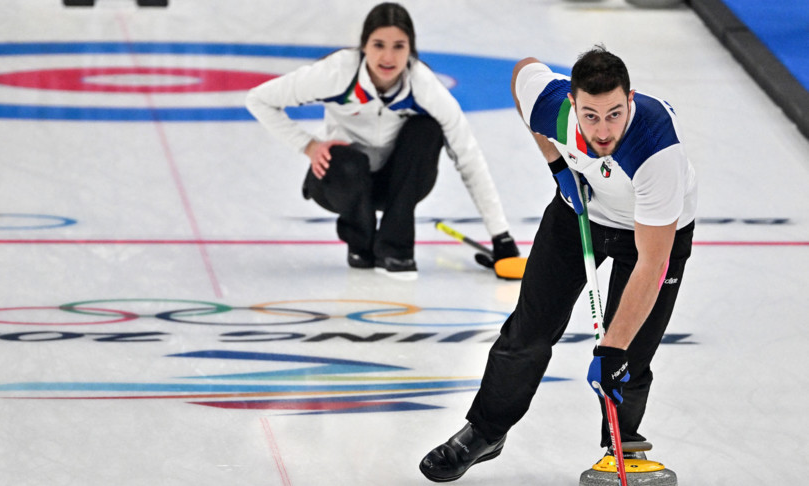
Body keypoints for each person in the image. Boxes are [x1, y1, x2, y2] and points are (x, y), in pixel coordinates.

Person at [419, 45, 697, 482]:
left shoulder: (657, 150)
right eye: (590, 115)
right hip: (579, 210)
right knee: (528, 329)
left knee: (631, 353)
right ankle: (486, 431)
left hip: (651, 234)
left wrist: (612, 348)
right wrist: (557, 167)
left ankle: (621, 449)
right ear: (572, 104)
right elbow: (522, 71)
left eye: (614, 113)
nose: (603, 130)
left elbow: (652, 263)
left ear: (631, 99)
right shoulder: (555, 110)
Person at [245, 2, 518, 280]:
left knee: (427, 129)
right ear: (364, 46)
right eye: (378, 45)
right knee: (349, 162)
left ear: (410, 49)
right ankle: (360, 244)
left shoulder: (423, 86)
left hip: (397, 184)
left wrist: (501, 237)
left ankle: (395, 249)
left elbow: (468, 156)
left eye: (399, 46)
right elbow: (258, 99)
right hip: (340, 180)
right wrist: (309, 145)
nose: (388, 57)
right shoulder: (336, 72)